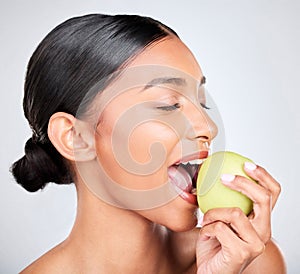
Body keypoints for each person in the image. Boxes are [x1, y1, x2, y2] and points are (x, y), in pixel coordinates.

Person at [11, 14, 286, 273]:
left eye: (201, 102)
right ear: (75, 138)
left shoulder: (246, 261)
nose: (208, 128)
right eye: (168, 105)